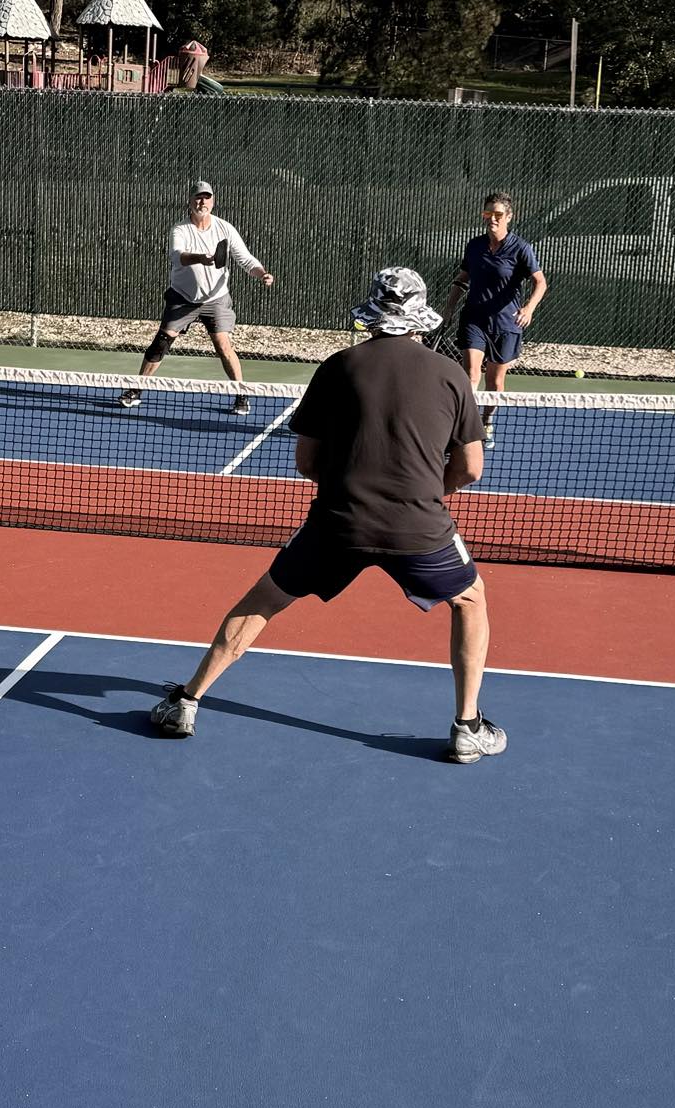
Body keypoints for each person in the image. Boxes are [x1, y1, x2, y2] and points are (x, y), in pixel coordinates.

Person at [148, 267, 506, 764]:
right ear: (420, 319)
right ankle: (468, 726)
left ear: (373, 316)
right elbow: (470, 468)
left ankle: (185, 702)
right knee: (470, 600)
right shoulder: (450, 375)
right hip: (421, 527)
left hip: (336, 523)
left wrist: (349, 492)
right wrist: (429, 494)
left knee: (264, 599)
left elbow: (307, 463)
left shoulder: (337, 367)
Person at [120, 180, 276, 416]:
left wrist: (262, 273)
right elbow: (177, 256)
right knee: (161, 342)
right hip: (183, 298)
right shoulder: (180, 229)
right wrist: (200, 258)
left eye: (207, 198)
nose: (202, 202)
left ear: (213, 202)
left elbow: (245, 259)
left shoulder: (225, 228)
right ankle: (137, 389)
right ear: (190, 201)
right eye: (198, 197)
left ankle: (241, 395)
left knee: (223, 346)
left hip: (216, 299)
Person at [439, 191, 547, 445]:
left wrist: (528, 308)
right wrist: (449, 308)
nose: (492, 219)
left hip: (506, 325)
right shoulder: (475, 245)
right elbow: (462, 278)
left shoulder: (521, 248)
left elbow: (540, 283)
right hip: (474, 319)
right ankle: (465, 426)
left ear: (509, 217)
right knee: (471, 375)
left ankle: (486, 421)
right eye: (488, 213)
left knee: (495, 382)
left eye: (498, 214)